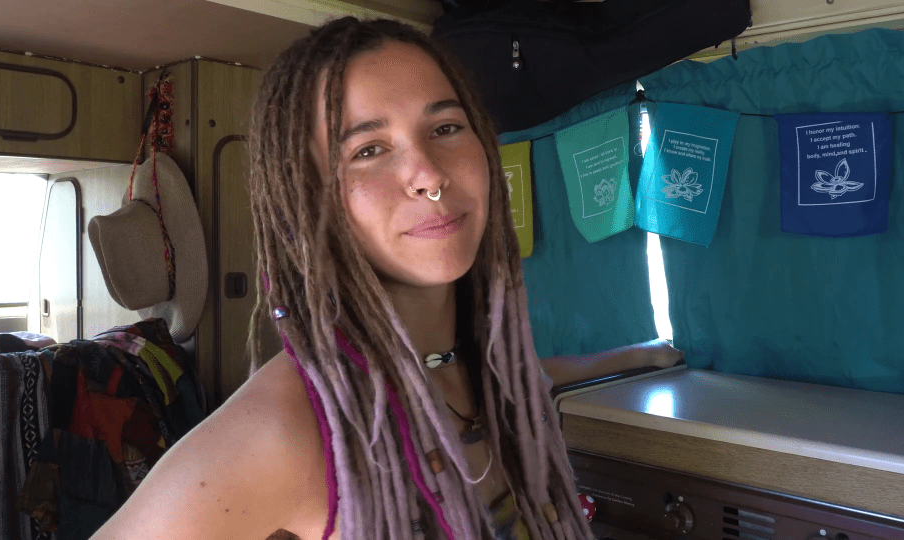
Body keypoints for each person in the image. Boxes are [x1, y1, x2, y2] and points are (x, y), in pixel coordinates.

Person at [90, 16, 683, 540]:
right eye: (369, 150)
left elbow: (542, 373)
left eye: (446, 128)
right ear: (306, 198)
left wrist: (643, 354)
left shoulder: (483, 372)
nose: (428, 173)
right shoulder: (281, 433)